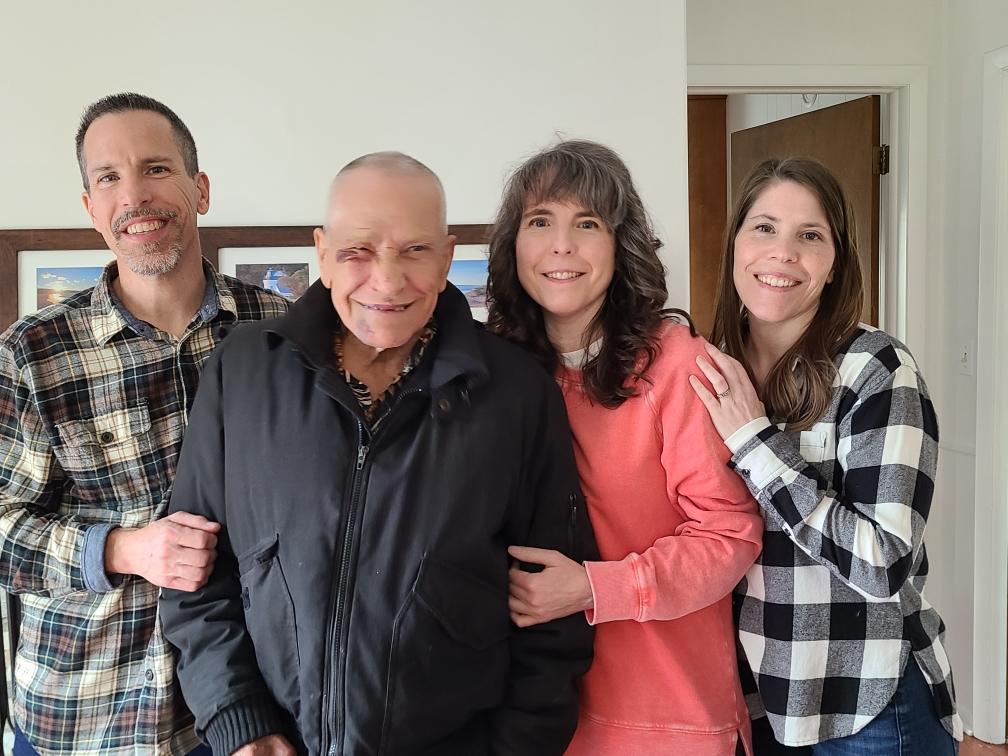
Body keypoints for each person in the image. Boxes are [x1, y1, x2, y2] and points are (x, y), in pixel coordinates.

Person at [158, 152, 596, 756]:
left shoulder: (517, 392)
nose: (387, 282)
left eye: (415, 251)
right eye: (358, 251)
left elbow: (553, 616)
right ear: (322, 253)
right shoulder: (244, 370)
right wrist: (240, 722)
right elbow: (194, 573)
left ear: (446, 258)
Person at [0, 93, 289, 756]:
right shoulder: (31, 354)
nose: (134, 195)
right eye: (109, 177)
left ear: (201, 189)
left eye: (156, 168)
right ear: (90, 208)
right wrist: (120, 549)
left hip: (249, 717)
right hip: (82, 720)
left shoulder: (279, 331)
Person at [485, 139, 764, 755]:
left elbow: (730, 536)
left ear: (620, 244)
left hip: (666, 721)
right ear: (513, 244)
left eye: (587, 223)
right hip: (533, 723)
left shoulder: (677, 367)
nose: (562, 245)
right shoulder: (493, 375)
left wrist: (596, 588)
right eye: (540, 222)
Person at [690, 157, 962, 755]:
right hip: (754, 694)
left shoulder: (877, 369)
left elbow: (884, 563)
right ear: (735, 243)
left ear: (835, 261)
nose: (783, 252)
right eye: (764, 227)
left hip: (867, 697)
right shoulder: (707, 368)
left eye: (810, 235)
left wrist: (754, 441)